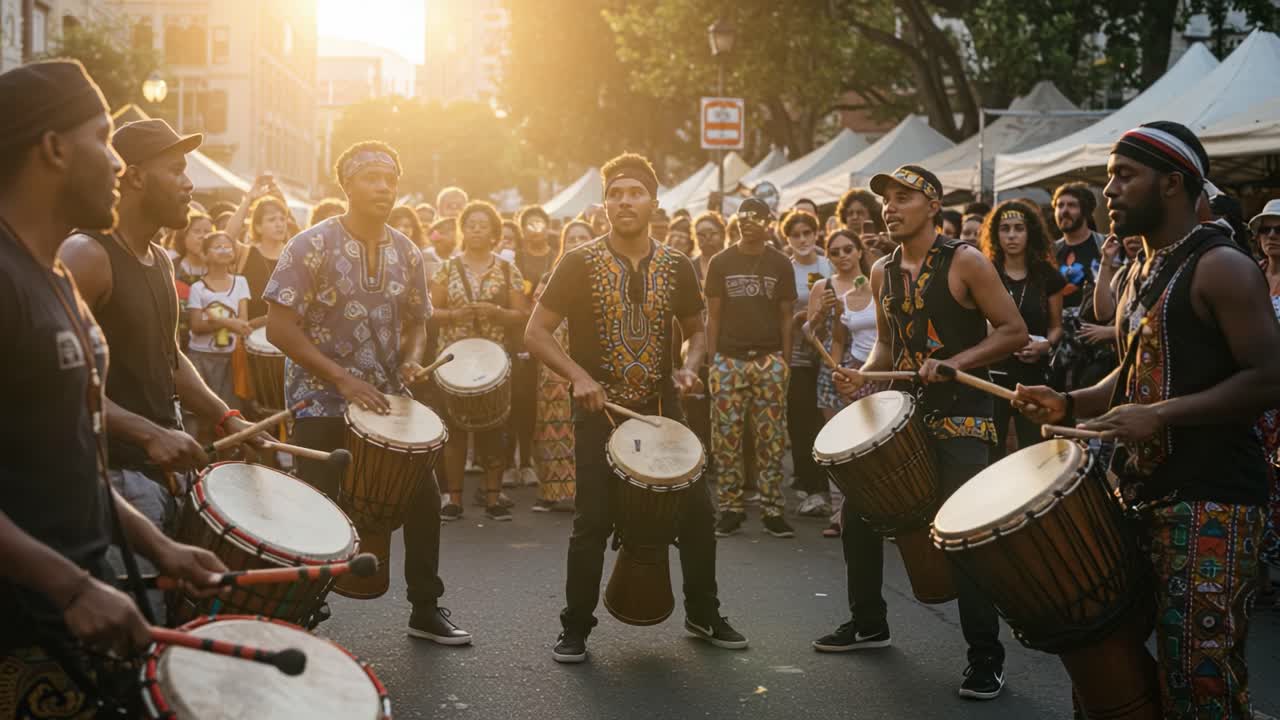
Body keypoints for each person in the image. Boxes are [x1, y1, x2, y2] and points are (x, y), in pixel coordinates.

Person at [1014, 121, 1280, 719]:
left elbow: (1269, 378)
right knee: (1108, 670)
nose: (1108, 190)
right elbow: (1135, 376)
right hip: (1139, 495)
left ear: (1172, 183)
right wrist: (1069, 403)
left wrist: (1157, 416)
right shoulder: (1142, 270)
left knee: (1198, 682)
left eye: (1123, 175)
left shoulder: (1224, 267)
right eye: (1108, 176)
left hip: (1213, 503)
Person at [0, 60, 228, 717]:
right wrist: (70, 588)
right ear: (53, 148)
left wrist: (157, 546)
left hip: (72, 608)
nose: (119, 163)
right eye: (104, 139)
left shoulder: (53, 280)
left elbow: (68, 459)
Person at [525, 152, 748, 663]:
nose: (625, 201)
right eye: (615, 194)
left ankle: (703, 613)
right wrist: (579, 377)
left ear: (653, 201)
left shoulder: (677, 265)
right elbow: (535, 333)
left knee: (696, 514)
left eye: (635, 192)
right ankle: (576, 626)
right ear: (604, 204)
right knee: (592, 521)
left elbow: (697, 330)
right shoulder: (578, 262)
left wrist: (691, 365)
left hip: (665, 414)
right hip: (597, 415)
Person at [816, 165, 1027, 702]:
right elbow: (888, 347)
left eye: (903, 196)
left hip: (965, 415)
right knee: (859, 513)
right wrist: (863, 379)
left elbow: (1013, 332)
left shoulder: (966, 261)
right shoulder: (882, 270)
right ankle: (869, 623)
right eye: (886, 197)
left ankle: (986, 657)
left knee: (962, 534)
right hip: (907, 413)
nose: (890, 205)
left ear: (932, 205)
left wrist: (957, 362)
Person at [263, 140, 470, 646]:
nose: (384, 187)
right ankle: (298, 613)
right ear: (347, 186)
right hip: (321, 400)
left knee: (425, 498)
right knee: (316, 510)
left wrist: (412, 355)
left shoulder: (407, 252)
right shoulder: (309, 245)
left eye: (391, 179)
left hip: (388, 402)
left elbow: (418, 321)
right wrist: (340, 378)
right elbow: (278, 328)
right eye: (372, 177)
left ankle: (425, 607)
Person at [60, 118, 263, 531]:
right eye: (176, 170)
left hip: (168, 471)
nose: (189, 184)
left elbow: (169, 360)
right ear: (133, 177)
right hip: (113, 476)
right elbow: (55, 382)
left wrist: (227, 417)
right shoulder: (86, 255)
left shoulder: (161, 260)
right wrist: (148, 434)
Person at [431, 200, 530, 521]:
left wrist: (498, 313)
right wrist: (454, 314)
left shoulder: (507, 268)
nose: (475, 229)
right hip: (453, 359)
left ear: (494, 233)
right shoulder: (447, 267)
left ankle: (492, 498)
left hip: (493, 360)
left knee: (494, 429)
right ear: (463, 230)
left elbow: (522, 314)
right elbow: (430, 312)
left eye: (482, 224)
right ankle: (454, 499)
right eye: (470, 224)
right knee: (454, 431)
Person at [705, 197, 798, 539]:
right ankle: (730, 509)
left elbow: (786, 316)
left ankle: (773, 510)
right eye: (742, 216)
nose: (748, 222)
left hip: (769, 360)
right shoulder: (720, 262)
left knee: (771, 440)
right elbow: (712, 316)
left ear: (768, 221)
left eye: (755, 217)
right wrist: (714, 360)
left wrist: (784, 361)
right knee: (726, 439)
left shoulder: (781, 263)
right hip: (728, 361)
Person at [978, 200, 1065, 457]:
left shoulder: (1046, 275)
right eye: (1005, 229)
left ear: (1030, 233)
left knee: (1034, 451)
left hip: (1034, 376)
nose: (1012, 235)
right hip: (994, 374)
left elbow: (1056, 327)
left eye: (1019, 228)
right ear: (996, 234)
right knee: (993, 450)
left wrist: (1045, 345)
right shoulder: (985, 272)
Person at [808, 229, 875, 537]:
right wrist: (824, 309)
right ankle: (839, 513)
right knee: (837, 445)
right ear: (828, 257)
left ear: (859, 251)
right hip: (834, 368)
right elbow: (809, 333)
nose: (843, 255)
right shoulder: (824, 286)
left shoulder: (877, 282)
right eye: (835, 252)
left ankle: (872, 511)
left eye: (849, 249)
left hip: (873, 371)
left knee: (870, 445)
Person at [531, 220, 593, 513]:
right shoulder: (550, 276)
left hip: (589, 357)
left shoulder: (601, 275)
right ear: (563, 244)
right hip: (555, 357)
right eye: (572, 238)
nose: (577, 241)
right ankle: (554, 492)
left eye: (584, 237)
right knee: (554, 422)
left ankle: (586, 489)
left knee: (586, 422)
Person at [780, 209, 833, 519]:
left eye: (807, 233)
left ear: (816, 234)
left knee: (824, 420)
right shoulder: (786, 270)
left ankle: (827, 486)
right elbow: (783, 315)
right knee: (799, 423)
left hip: (829, 356)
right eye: (795, 235)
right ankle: (808, 482)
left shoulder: (829, 263)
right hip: (797, 358)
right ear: (788, 238)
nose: (801, 240)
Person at [506, 205, 557, 489]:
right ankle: (519, 462)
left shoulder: (557, 256)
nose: (535, 228)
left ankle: (541, 463)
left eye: (540, 222)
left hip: (552, 334)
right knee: (521, 400)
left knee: (546, 404)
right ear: (523, 228)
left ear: (547, 226)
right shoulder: (516, 259)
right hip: (520, 336)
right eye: (530, 223)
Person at [186, 231, 252, 415]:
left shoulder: (240, 282)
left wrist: (218, 320)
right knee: (198, 411)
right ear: (205, 255)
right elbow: (197, 327)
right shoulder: (197, 288)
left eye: (228, 246)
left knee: (228, 412)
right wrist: (230, 323)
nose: (224, 250)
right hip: (200, 357)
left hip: (230, 358)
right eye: (218, 247)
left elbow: (243, 323)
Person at [1051, 182, 1106, 310]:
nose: (1064, 211)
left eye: (1072, 205)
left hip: (1096, 326)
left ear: (1085, 211)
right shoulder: (1050, 251)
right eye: (1060, 205)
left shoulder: (1105, 245)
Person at [167, 209, 212, 353]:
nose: (203, 236)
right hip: (177, 344)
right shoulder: (171, 266)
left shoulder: (219, 270)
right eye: (197, 231)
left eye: (207, 231)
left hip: (212, 348)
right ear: (183, 236)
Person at [691, 211, 725, 280]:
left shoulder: (732, 263)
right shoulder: (690, 266)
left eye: (711, 233)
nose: (707, 238)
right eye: (701, 234)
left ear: (722, 235)